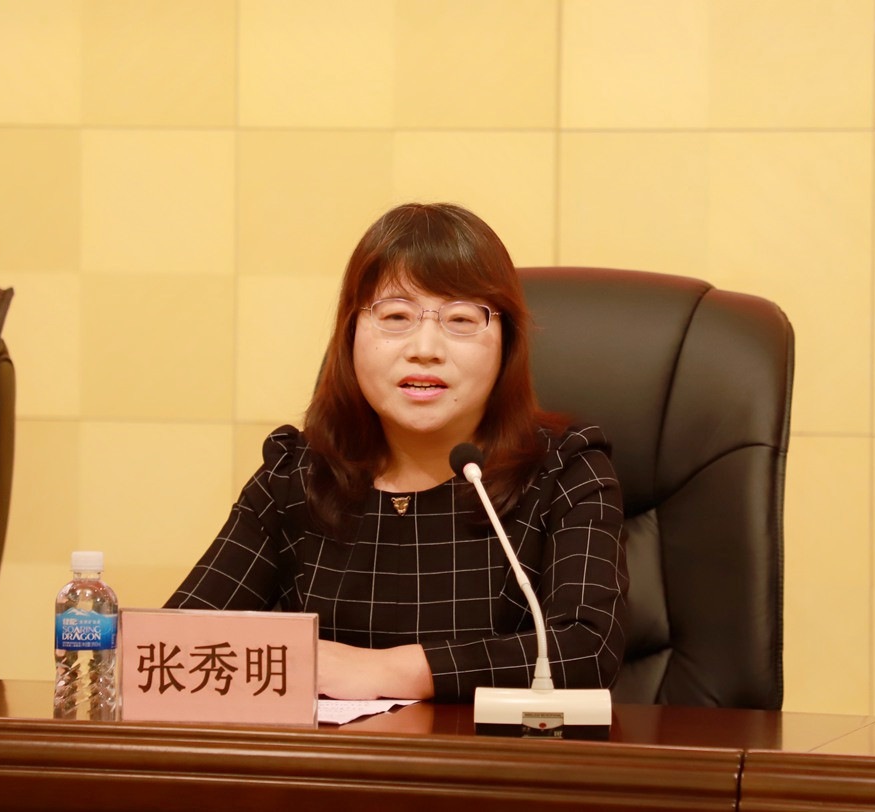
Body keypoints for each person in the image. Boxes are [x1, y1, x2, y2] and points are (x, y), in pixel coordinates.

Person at [165, 202, 628, 702]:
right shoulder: (297, 475)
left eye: (461, 318)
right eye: (396, 316)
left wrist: (388, 671)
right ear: (350, 334)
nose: (425, 348)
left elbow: (588, 649)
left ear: (506, 343)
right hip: (328, 755)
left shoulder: (564, 470)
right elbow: (176, 647)